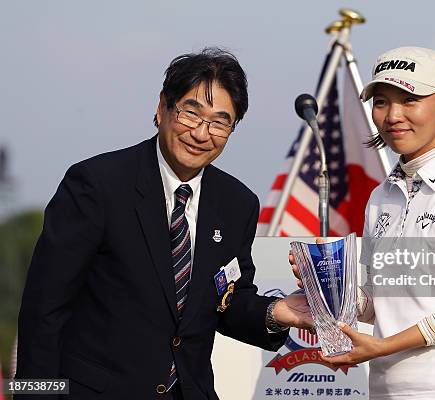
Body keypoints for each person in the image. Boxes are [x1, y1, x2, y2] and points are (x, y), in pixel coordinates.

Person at [16, 47, 312, 400]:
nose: (202, 134)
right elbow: (44, 309)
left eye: (220, 122)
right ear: (162, 107)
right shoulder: (96, 184)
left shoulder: (237, 204)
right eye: (191, 113)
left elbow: (226, 303)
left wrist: (278, 312)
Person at [291, 47, 435, 399]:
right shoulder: (381, 196)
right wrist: (324, 287)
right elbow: (379, 303)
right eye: (381, 101)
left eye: (409, 100)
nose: (393, 115)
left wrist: (385, 346)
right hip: (386, 390)